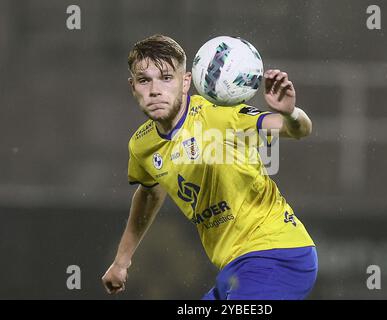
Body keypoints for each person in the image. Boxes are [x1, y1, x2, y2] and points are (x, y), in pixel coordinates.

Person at [101, 34, 318, 300]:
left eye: (167, 78)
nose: (155, 90)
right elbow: (149, 193)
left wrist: (290, 112)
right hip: (234, 269)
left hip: (277, 255)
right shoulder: (141, 145)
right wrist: (122, 262)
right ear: (133, 86)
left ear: (186, 82)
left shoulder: (219, 116)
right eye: (145, 80)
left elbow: (298, 130)